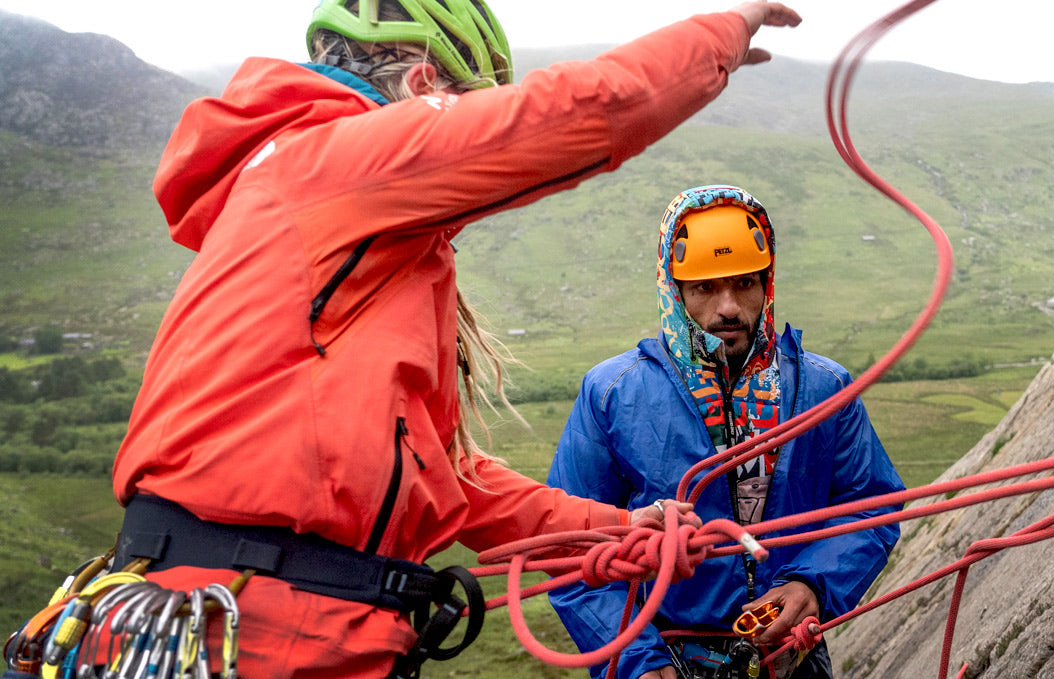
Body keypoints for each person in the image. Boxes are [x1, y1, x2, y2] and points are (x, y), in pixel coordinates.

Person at [103, 2, 801, 679]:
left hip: (253, 613)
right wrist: (720, 36)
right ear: (423, 87)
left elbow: (445, 475)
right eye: (468, 114)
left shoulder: (316, 213)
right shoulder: (333, 164)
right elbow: (577, 113)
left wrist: (617, 529)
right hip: (253, 620)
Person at [547, 185, 905, 679]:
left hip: (789, 659)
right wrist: (634, 659)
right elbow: (570, 550)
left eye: (744, 284)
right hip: (663, 659)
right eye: (705, 288)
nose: (729, 307)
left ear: (767, 283)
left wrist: (813, 585)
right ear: (674, 291)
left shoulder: (825, 389)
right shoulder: (612, 395)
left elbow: (872, 505)